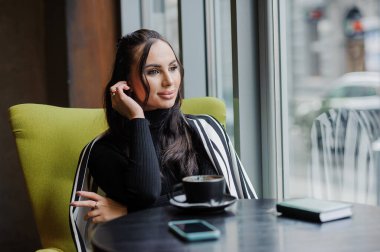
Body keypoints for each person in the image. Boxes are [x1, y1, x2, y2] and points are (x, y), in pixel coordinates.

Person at [69, 29, 257, 251]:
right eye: (153, 71)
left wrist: (128, 212)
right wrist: (137, 118)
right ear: (125, 82)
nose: (169, 81)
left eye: (173, 68)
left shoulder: (202, 131)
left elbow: (214, 203)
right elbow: (146, 193)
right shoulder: (103, 151)